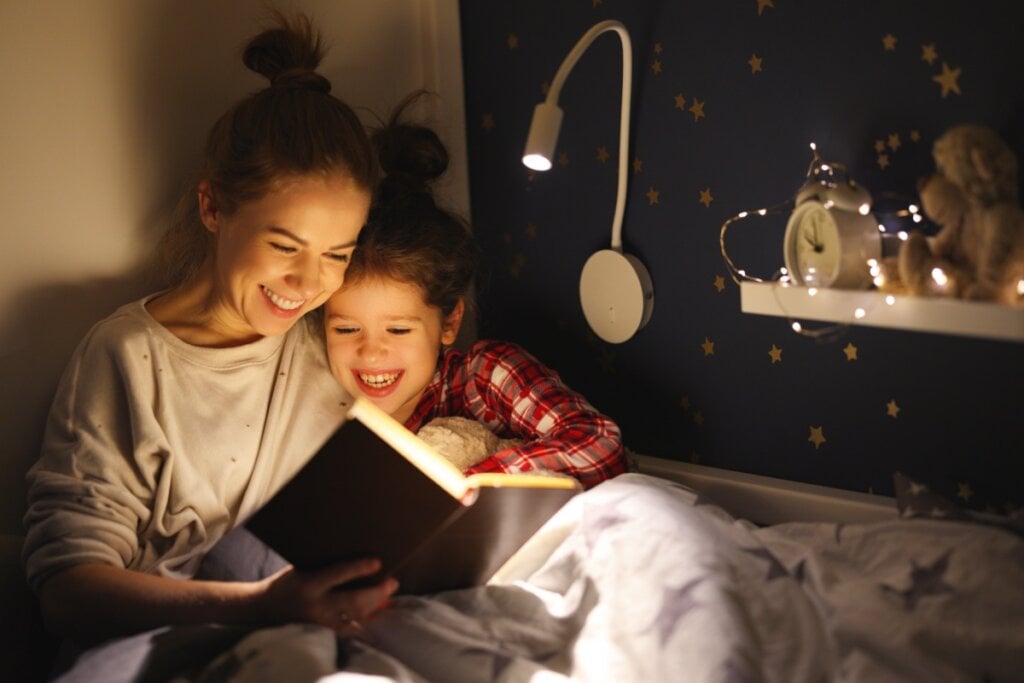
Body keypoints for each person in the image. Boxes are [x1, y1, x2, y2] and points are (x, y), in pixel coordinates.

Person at [22, 12, 397, 648]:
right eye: (284, 245)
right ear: (212, 207)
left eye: (338, 253)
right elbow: (67, 591)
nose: (309, 283)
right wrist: (262, 606)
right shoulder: (130, 359)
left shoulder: (331, 336)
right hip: (189, 636)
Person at [323, 108, 627, 490]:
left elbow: (600, 445)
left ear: (449, 322)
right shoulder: (323, 411)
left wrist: (466, 487)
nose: (370, 353)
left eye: (398, 329)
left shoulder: (483, 377)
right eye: (347, 328)